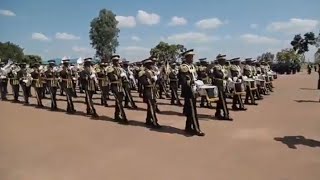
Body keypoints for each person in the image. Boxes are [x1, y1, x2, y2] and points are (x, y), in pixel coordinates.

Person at [179, 49, 205, 136]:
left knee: (191, 109)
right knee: (193, 110)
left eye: (192, 57)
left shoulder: (192, 66)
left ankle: (188, 127)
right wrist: (192, 82)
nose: (192, 58)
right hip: (188, 91)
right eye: (190, 57)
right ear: (186, 58)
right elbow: (183, 80)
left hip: (193, 89)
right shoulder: (184, 67)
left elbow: (195, 76)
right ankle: (197, 129)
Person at [140, 58, 161, 128]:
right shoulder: (143, 72)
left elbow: (156, 81)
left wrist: (158, 78)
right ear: (146, 65)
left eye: (151, 64)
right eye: (149, 64)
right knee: (152, 107)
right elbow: (143, 82)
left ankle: (148, 120)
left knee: (151, 106)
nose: (151, 65)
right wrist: (152, 80)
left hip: (153, 90)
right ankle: (155, 122)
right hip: (148, 91)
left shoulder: (153, 72)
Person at [107, 55, 128, 124]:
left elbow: (124, 77)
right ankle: (123, 117)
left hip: (120, 86)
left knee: (119, 101)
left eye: (117, 60)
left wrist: (125, 77)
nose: (117, 62)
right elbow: (112, 77)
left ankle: (116, 115)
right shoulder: (110, 68)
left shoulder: (120, 68)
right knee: (119, 101)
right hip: (115, 86)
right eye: (115, 61)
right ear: (113, 61)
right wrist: (120, 76)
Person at [212, 54, 233, 120]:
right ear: (220, 60)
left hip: (223, 84)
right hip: (219, 84)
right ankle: (226, 114)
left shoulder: (223, 67)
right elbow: (219, 75)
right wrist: (226, 77)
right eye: (223, 60)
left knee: (220, 99)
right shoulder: (217, 67)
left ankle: (218, 113)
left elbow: (227, 74)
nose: (224, 61)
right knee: (223, 100)